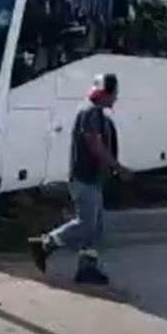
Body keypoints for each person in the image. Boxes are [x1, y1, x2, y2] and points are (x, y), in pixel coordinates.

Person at [29, 73, 133, 285]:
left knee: (96, 228)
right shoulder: (90, 113)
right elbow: (95, 145)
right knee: (86, 224)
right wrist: (118, 168)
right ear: (106, 94)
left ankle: (87, 268)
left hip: (93, 179)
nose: (115, 99)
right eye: (113, 95)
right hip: (84, 178)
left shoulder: (94, 112)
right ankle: (44, 244)